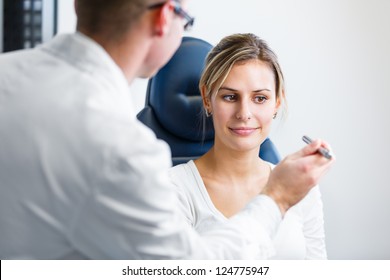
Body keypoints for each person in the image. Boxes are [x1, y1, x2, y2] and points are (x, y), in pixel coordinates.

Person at [0, 0, 334, 259]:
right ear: (164, 18)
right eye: (186, 20)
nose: (245, 113)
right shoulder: (123, 149)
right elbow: (184, 269)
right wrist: (275, 199)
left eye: (260, 98)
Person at [168, 33, 331, 259]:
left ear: (277, 102)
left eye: (260, 98)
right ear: (207, 98)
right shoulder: (171, 189)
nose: (244, 113)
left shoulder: (302, 185)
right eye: (230, 97)